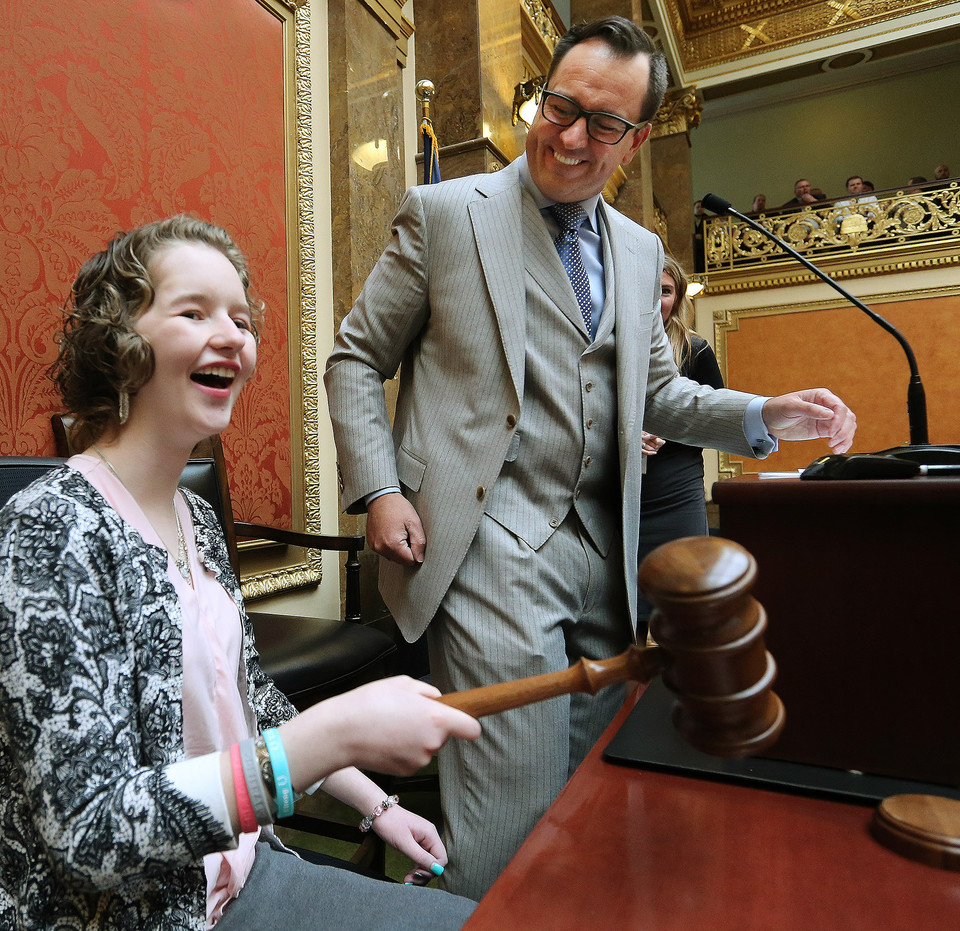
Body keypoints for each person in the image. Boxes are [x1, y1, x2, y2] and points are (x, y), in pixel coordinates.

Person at [324, 15, 856, 899]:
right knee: (510, 800)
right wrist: (379, 488)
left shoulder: (641, 251)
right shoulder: (446, 213)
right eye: (558, 105)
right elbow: (355, 358)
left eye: (601, 124)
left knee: (592, 787)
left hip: (604, 553)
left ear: (637, 139)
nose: (569, 136)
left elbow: (659, 397)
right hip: (487, 537)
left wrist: (766, 412)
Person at [0, 215, 481, 930]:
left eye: (242, 319)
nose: (234, 336)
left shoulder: (194, 519)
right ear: (118, 342)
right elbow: (90, 833)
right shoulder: (50, 532)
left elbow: (252, 701)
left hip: (240, 873)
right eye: (194, 311)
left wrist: (379, 803)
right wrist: (330, 735)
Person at [637, 255, 723, 634]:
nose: (658, 300)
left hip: (676, 487)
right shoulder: (607, 346)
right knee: (627, 608)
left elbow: (716, 414)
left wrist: (670, 428)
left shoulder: (696, 349)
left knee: (684, 597)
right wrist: (625, 436)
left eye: (666, 291)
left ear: (678, 297)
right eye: (650, 290)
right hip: (621, 492)